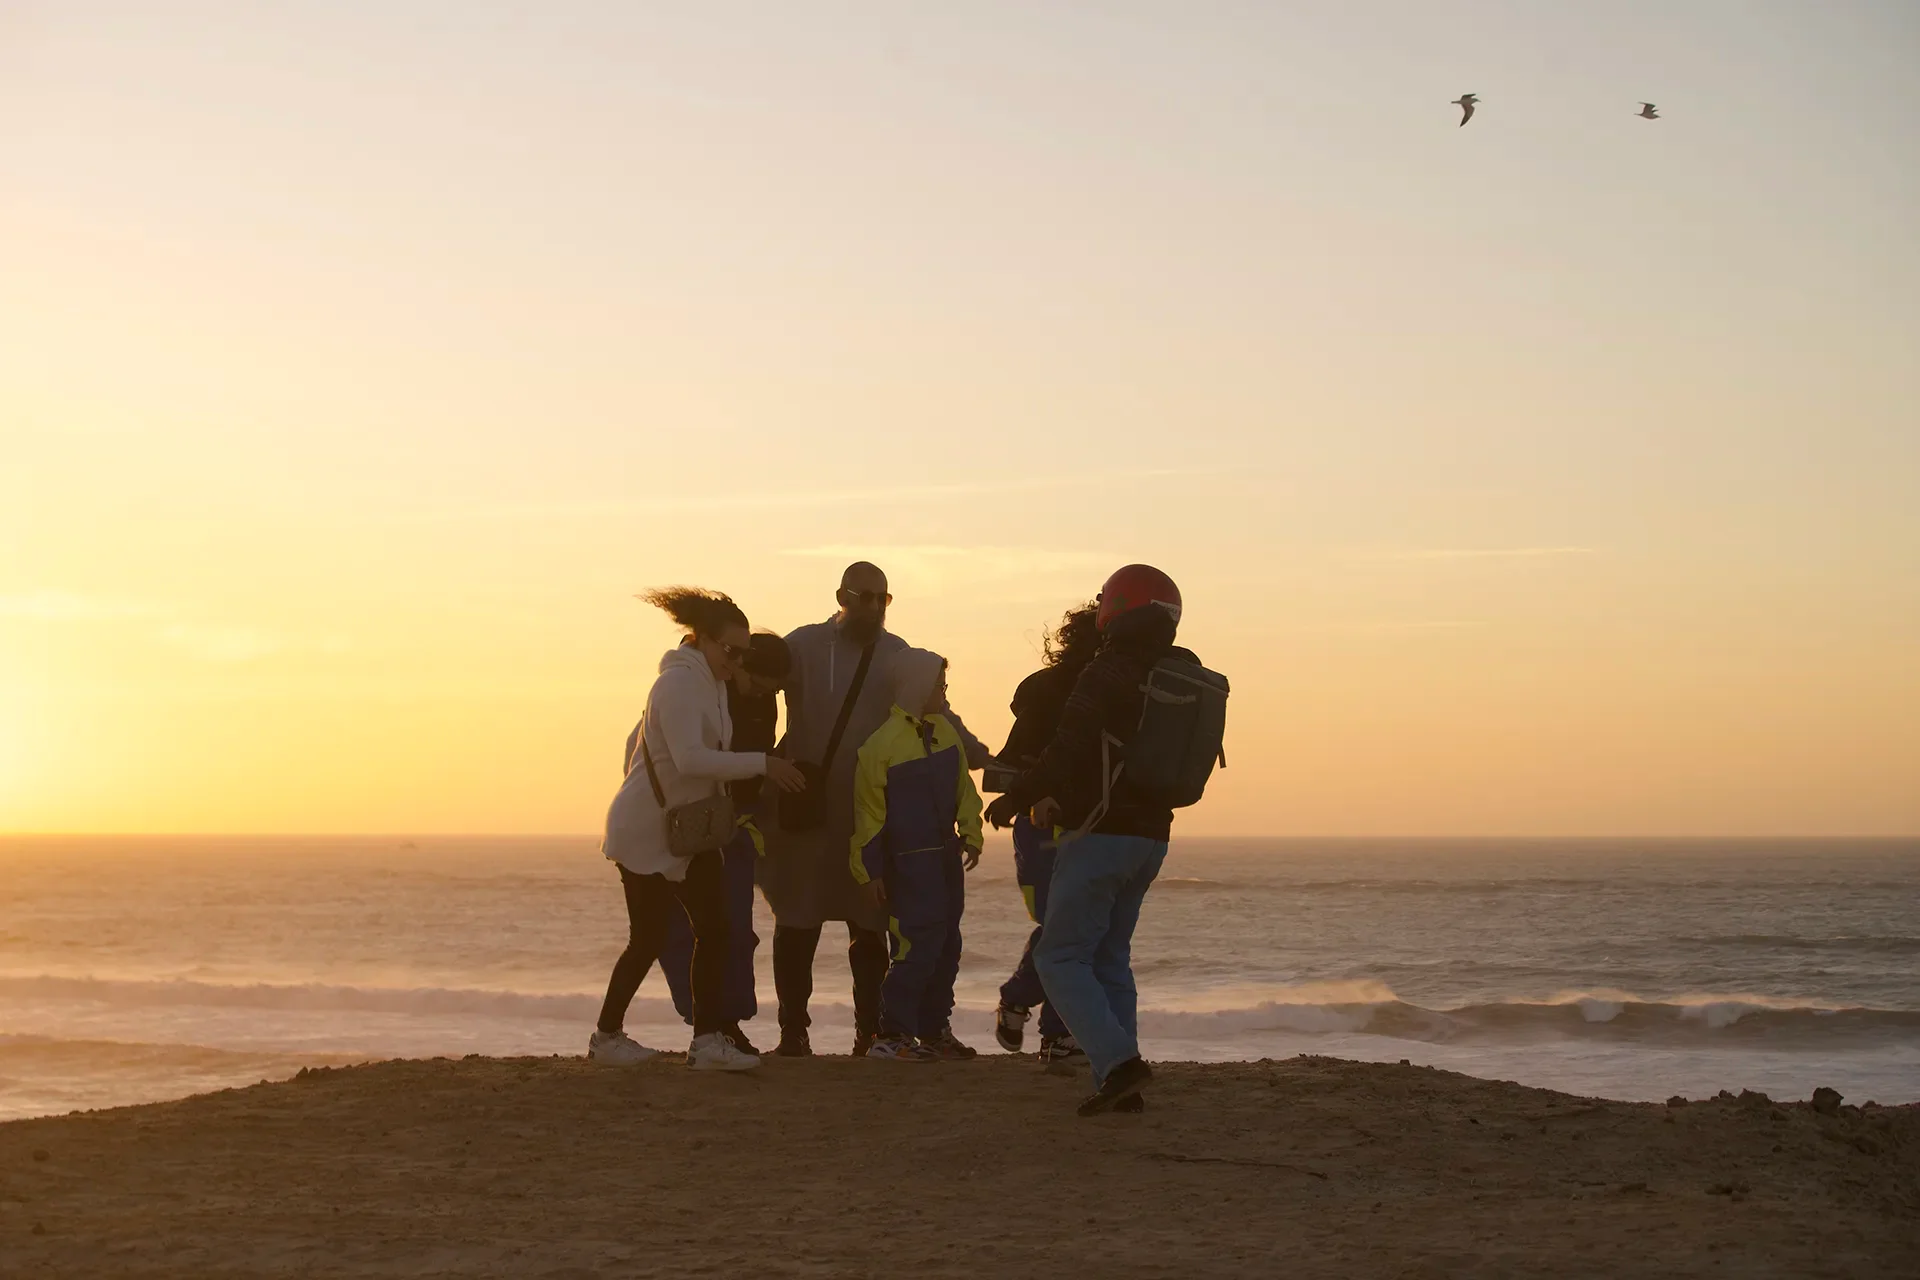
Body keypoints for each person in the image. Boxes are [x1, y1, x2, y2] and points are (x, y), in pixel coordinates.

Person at [984, 565, 1196, 1114]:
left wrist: (1014, 797)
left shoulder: (1109, 671)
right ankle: (1120, 1077)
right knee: (1109, 955)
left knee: (1059, 955)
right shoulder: (1180, 671)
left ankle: (1121, 1064)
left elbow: (1066, 750)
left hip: (1100, 832)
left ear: (1118, 609)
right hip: (1152, 838)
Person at [760, 561, 990, 1057]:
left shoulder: (896, 654)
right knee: (797, 919)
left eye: (879, 599)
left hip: (872, 816)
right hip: (807, 808)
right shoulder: (803, 645)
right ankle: (792, 1034)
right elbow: (754, 685)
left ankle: (871, 1033)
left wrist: (982, 757)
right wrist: (748, 763)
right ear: (840, 595)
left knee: (870, 925)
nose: (870, 607)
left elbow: (936, 710)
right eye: (860, 596)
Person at [593, 588, 806, 1071]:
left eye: (742, 653)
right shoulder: (678, 684)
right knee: (648, 939)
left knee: (715, 930)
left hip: (689, 831)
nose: (736, 660)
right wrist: (764, 765)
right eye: (730, 650)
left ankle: (707, 1040)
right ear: (703, 639)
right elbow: (689, 759)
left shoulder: (709, 680)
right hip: (647, 831)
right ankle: (608, 1036)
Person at [646, 631, 791, 1056]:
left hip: (734, 825)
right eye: (766, 683)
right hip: (689, 823)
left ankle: (726, 1023)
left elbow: (755, 756)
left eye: (777, 689)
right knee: (683, 931)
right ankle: (707, 1023)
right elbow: (671, 754)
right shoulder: (696, 692)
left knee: (735, 932)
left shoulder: (760, 701)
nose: (770, 694)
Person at [848, 649, 985, 1061]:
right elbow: (868, 816)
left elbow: (964, 789)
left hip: (945, 858)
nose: (943, 692)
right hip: (907, 863)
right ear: (917, 687)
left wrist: (973, 833)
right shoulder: (880, 746)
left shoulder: (944, 732)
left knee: (947, 945)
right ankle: (892, 1035)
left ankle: (934, 1031)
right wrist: (869, 872)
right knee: (915, 946)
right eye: (938, 685)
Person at [988, 601, 1100, 1064]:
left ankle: (1052, 1032)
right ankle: (1024, 1005)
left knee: (1078, 933)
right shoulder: (1050, 690)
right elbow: (1008, 764)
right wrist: (1034, 795)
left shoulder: (1111, 690)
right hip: (1042, 830)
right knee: (1061, 930)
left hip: (1093, 828)